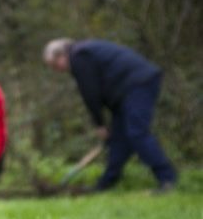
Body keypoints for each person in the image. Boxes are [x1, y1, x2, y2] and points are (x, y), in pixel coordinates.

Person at [43, 38, 177, 192]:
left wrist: (99, 124)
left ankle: (167, 179)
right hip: (127, 91)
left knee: (137, 133)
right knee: (119, 140)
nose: (57, 70)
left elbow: (90, 92)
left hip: (138, 85)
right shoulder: (84, 52)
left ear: (62, 55)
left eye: (55, 65)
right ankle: (105, 183)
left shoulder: (79, 57)